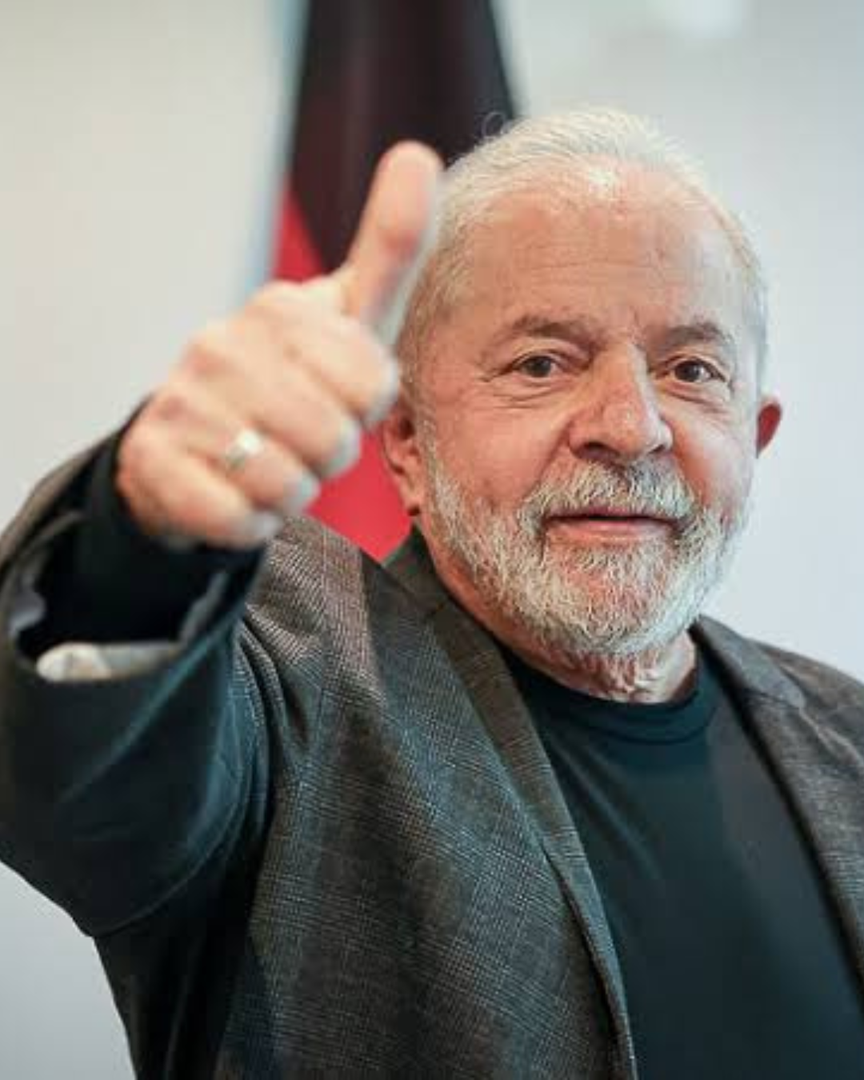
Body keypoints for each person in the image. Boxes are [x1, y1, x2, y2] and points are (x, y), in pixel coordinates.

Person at [0, 109, 862, 1080]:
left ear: (756, 435)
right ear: (407, 440)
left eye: (692, 370)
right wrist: (137, 545)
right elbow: (68, 774)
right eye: (542, 363)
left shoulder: (847, 734)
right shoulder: (290, 678)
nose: (632, 427)